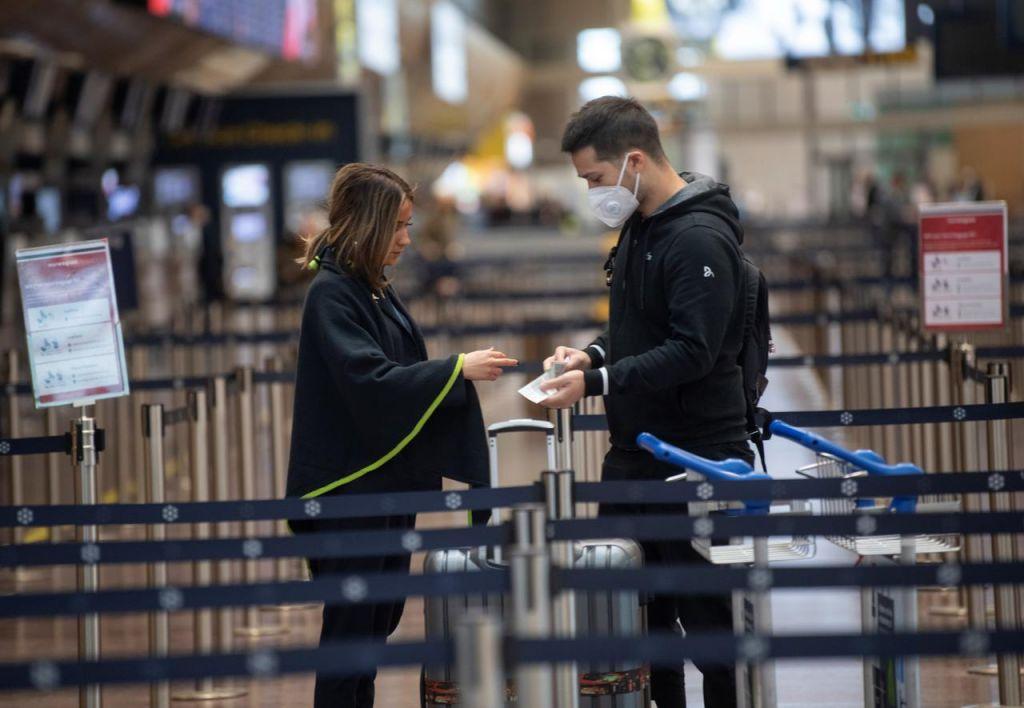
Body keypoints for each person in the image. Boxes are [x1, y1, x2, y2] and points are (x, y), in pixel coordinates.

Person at [539, 96, 753, 708]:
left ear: (634, 160)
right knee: (635, 616)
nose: (592, 193)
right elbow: (636, 329)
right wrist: (593, 357)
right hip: (633, 457)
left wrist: (600, 384)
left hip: (698, 457)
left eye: (596, 178)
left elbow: (695, 350)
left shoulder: (699, 238)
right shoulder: (639, 226)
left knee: (711, 623)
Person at [285, 163, 517, 708]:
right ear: (368, 225)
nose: (406, 240)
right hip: (349, 491)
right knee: (350, 638)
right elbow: (369, 378)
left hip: (382, 485)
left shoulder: (371, 289)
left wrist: (452, 371)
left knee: (374, 627)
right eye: (397, 227)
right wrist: (455, 368)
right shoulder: (333, 294)